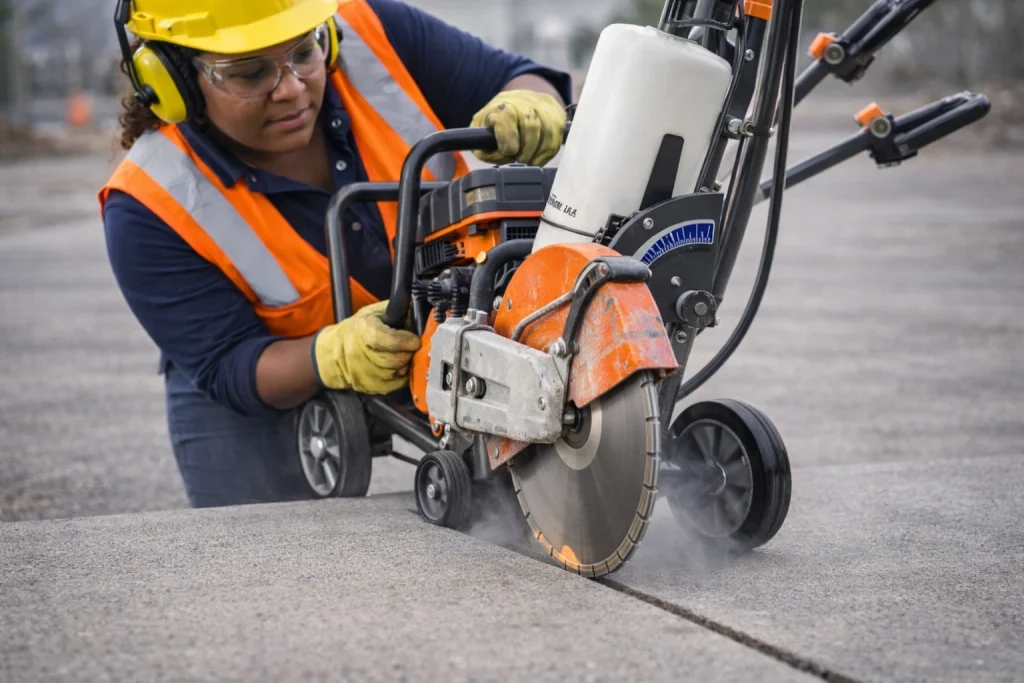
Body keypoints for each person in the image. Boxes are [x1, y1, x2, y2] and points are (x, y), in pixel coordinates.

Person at [99, 0, 572, 508]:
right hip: (267, 378)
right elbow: (228, 361)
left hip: (449, 326)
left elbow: (517, 78)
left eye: (304, 52)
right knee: (250, 544)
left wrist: (531, 105)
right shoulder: (149, 205)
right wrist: (331, 356)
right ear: (175, 82)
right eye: (250, 72)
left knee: (527, 513)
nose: (291, 88)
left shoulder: (373, 33)